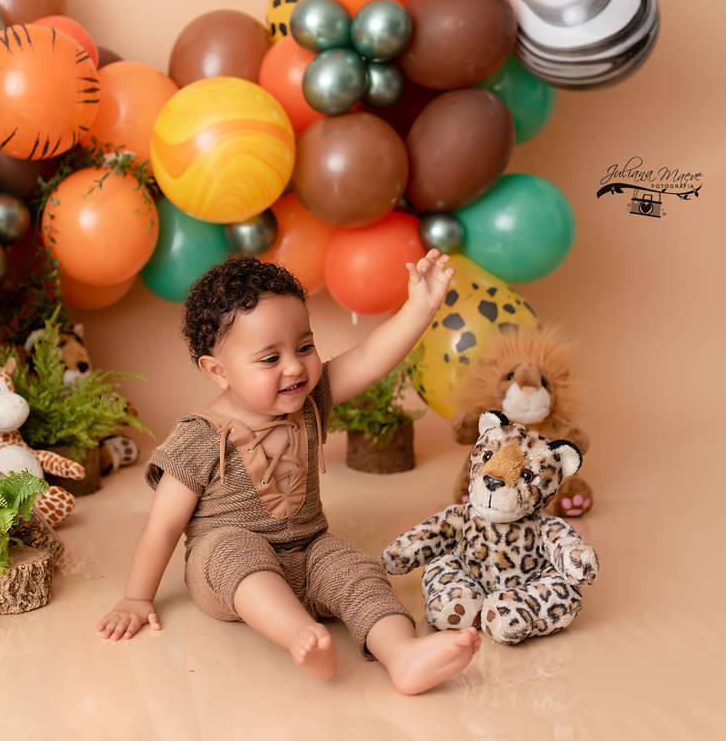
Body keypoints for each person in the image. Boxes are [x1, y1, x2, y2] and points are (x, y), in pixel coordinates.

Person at [96, 250, 479, 695]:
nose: (295, 367)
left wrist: (420, 307)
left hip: (307, 550)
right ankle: (300, 633)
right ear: (218, 371)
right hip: (228, 575)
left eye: (304, 347)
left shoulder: (311, 401)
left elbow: (370, 357)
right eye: (269, 359)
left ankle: (403, 654)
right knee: (232, 550)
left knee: (356, 569)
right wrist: (137, 597)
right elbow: (162, 527)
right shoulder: (198, 438)